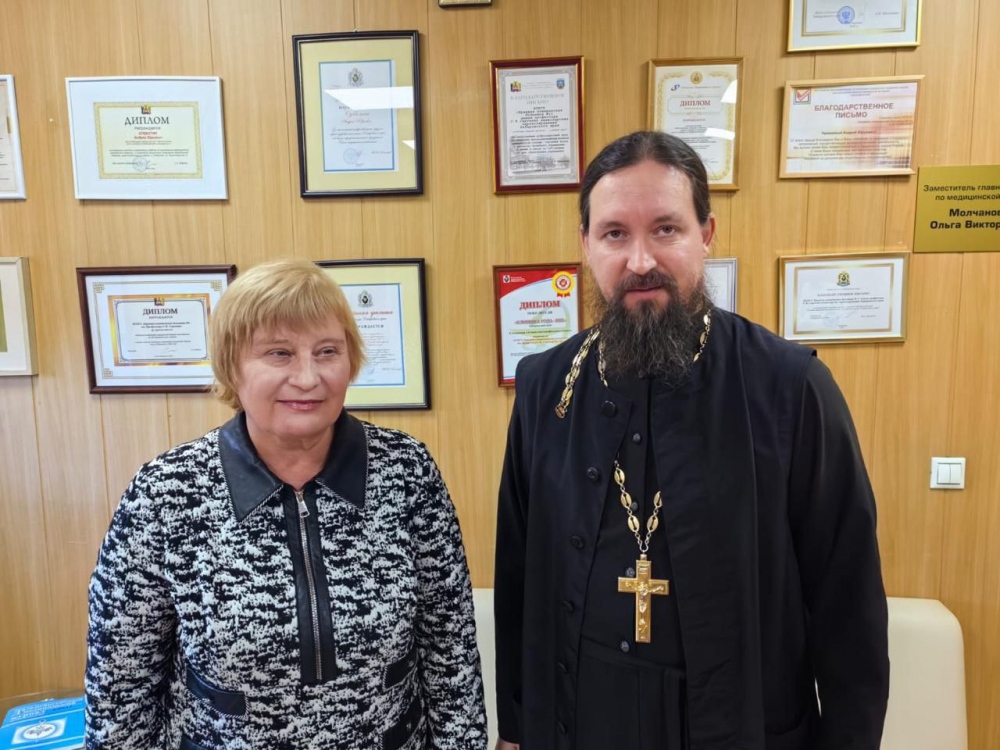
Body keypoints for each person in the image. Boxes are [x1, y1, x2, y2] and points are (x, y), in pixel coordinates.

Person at [493, 131, 889, 750]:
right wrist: (516, 728)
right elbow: (519, 574)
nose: (640, 260)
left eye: (666, 229)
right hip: (579, 719)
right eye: (615, 233)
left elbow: (848, 601)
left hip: (737, 728)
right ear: (586, 244)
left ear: (706, 234)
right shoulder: (546, 387)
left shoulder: (789, 387)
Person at [85, 259, 487, 750]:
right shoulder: (165, 492)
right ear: (232, 366)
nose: (307, 377)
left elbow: (450, 646)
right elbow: (120, 685)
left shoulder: (405, 470)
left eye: (327, 351)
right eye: (279, 353)